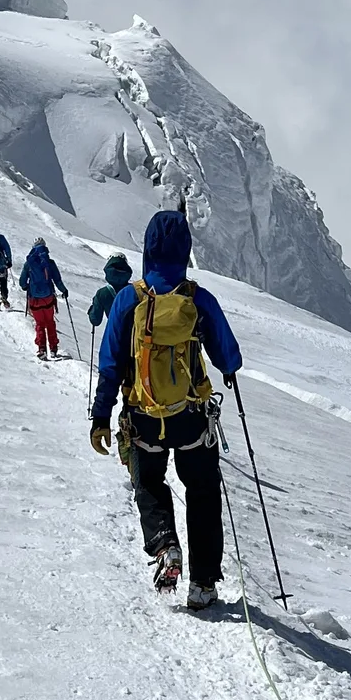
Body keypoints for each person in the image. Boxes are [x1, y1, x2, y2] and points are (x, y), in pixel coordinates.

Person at [90, 210, 241, 609]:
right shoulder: (196, 298)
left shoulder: (130, 297)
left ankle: (164, 544)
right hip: (190, 417)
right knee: (204, 492)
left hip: (143, 417)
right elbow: (228, 354)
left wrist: (100, 417)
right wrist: (228, 370)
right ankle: (204, 583)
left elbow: (109, 364)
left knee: (150, 485)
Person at [19, 237, 69, 359]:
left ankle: (42, 349)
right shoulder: (49, 263)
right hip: (48, 298)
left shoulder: (29, 263)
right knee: (50, 322)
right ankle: (53, 349)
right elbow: (57, 280)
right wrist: (64, 290)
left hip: (34, 300)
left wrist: (26, 287)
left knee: (40, 324)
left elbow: (22, 282)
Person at [89, 252, 133, 332]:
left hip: (114, 333)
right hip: (135, 335)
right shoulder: (134, 290)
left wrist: (92, 308)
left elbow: (95, 320)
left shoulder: (102, 293)